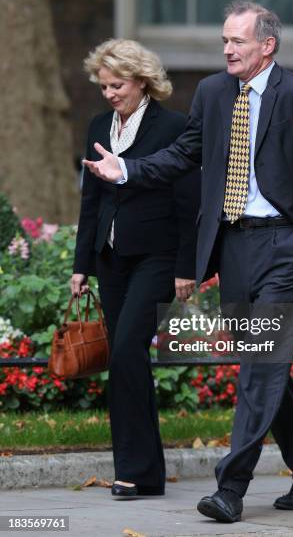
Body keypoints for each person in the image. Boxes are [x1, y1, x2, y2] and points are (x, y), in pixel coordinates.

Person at [84, 1, 293, 522]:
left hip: (285, 247)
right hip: (235, 246)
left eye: (238, 42)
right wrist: (127, 170)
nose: (227, 49)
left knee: (260, 364)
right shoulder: (212, 93)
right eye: (225, 40)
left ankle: (232, 487)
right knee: (264, 361)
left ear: (266, 46)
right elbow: (185, 154)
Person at [71, 38, 200, 499]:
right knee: (127, 362)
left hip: (157, 257)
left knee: (126, 351)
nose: (109, 93)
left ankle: (133, 470)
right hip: (110, 261)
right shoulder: (97, 126)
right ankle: (144, 472)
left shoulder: (174, 128)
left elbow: (190, 205)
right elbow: (91, 199)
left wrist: (188, 268)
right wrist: (81, 264)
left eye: (117, 84)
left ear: (142, 81)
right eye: (103, 85)